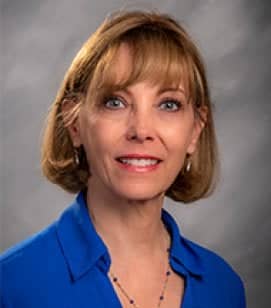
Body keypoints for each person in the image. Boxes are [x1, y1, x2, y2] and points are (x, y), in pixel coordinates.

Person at [0, 10, 246, 308]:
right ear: (74, 124)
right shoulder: (12, 284)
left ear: (194, 130)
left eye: (168, 104)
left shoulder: (223, 287)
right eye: (115, 102)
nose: (142, 131)